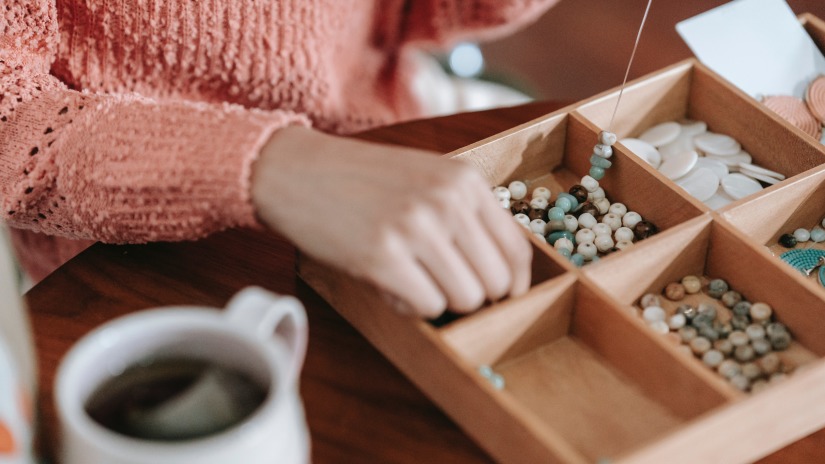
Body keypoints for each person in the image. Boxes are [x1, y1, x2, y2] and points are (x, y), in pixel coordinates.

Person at [0, 0, 558, 317]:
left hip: (394, 118)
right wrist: (271, 163)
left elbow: (406, 10)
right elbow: (12, 121)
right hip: (129, 257)